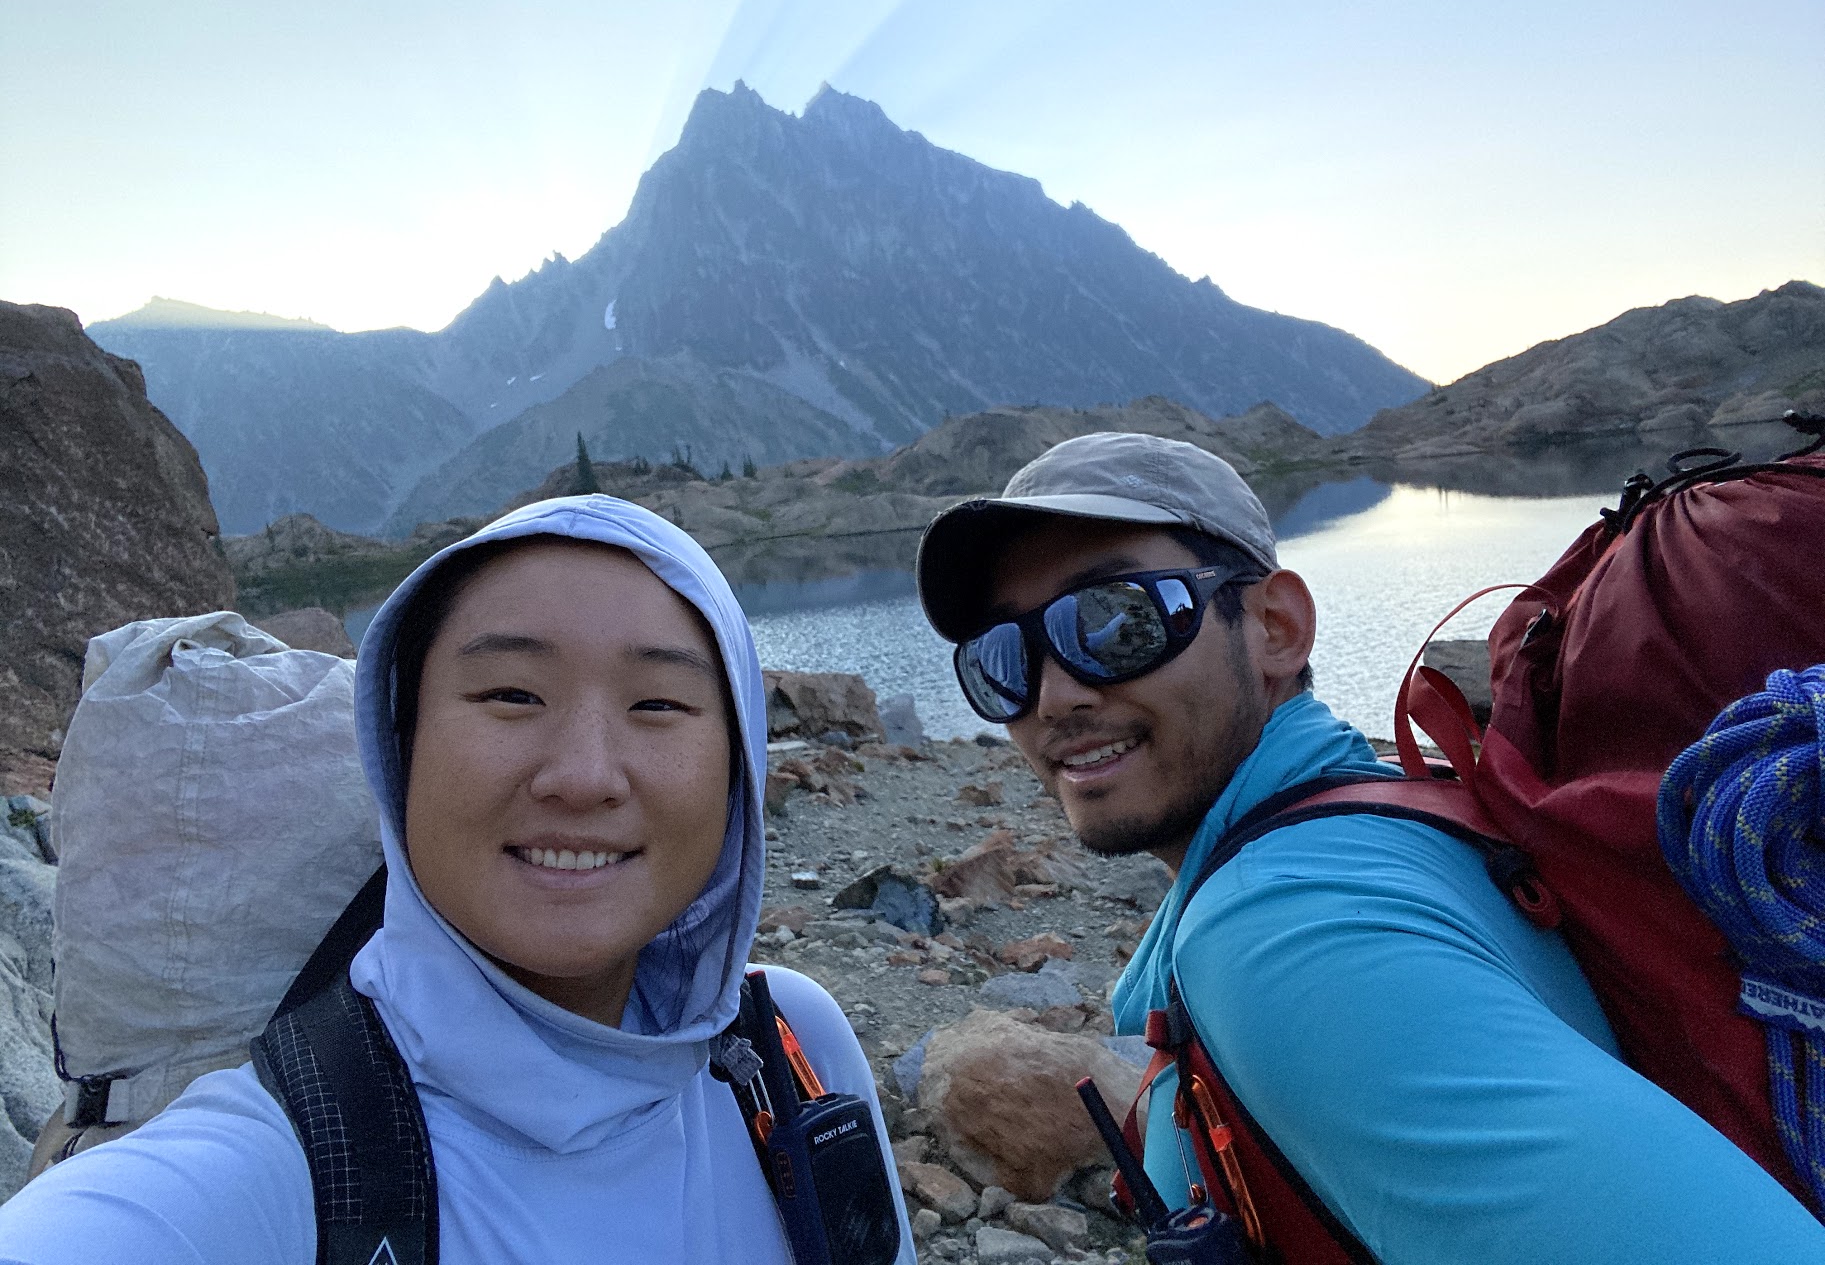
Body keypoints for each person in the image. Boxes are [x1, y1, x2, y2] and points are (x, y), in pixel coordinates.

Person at [914, 431, 1825, 1264]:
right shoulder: (1379, 812)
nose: (1053, 696)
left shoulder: (1289, 936)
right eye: (1003, 660)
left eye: (1117, 620)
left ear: (1275, 627)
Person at [0, 495, 914, 1263]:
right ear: (399, 750)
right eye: (512, 694)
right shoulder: (260, 1177)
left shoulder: (792, 1050)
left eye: (658, 703)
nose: (584, 774)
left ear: (737, 771)